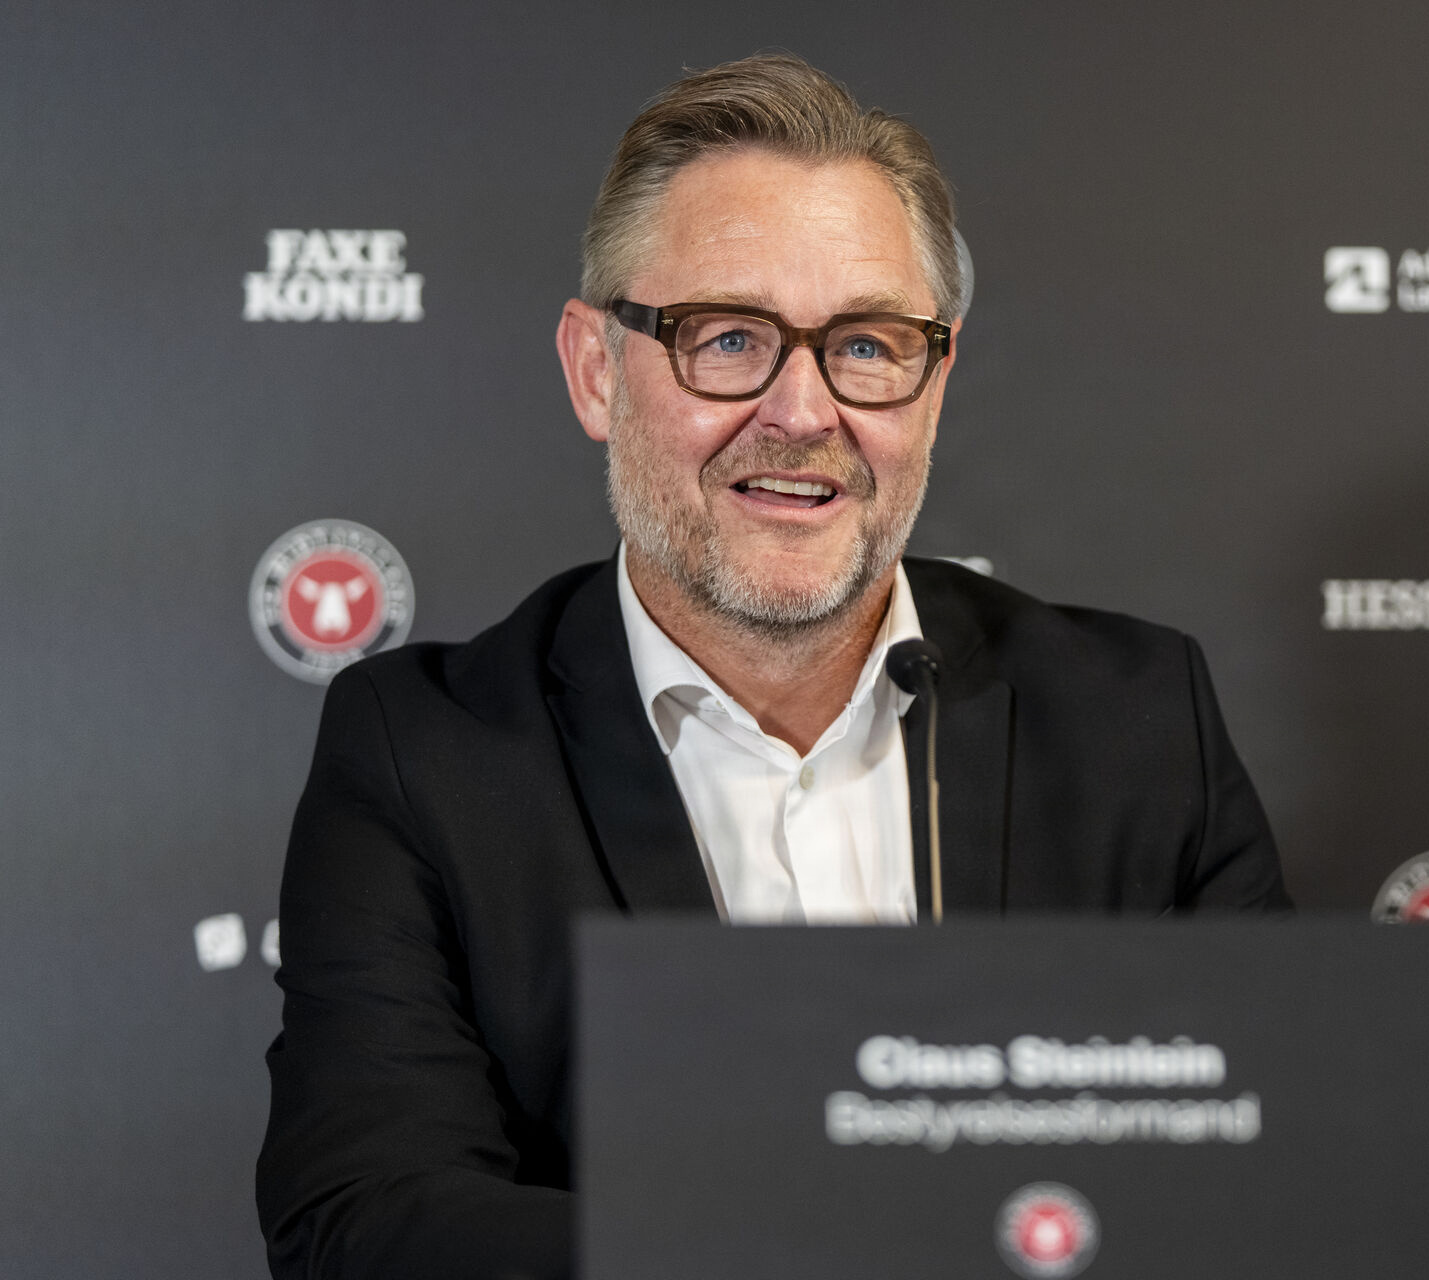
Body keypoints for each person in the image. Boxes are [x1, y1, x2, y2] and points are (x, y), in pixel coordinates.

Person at [256, 52, 1288, 1280]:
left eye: (868, 344)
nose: (802, 412)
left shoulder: (1138, 721)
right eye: (730, 337)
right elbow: (368, 1221)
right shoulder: (425, 755)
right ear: (596, 371)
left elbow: (1286, 1170)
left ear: (936, 385)